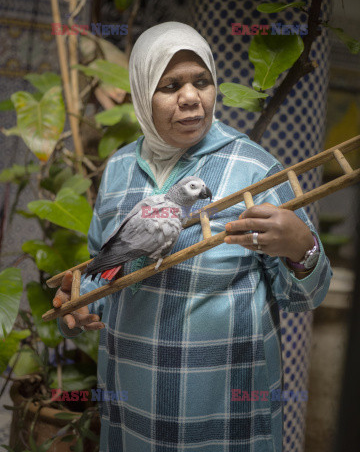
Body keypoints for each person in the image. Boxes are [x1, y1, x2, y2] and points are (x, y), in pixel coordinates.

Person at [55, 22, 332, 451]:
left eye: (201, 81)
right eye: (170, 84)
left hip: (223, 410)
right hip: (132, 406)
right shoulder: (119, 168)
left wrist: (301, 246)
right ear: (142, 92)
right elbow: (102, 269)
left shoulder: (255, 169)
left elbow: (304, 297)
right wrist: (81, 305)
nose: (190, 97)